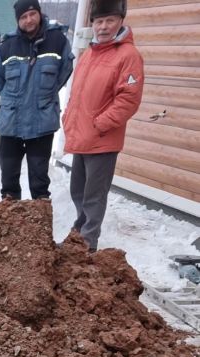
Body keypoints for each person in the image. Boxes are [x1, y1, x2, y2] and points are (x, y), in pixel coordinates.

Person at [62, 0, 144, 250]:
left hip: (102, 139)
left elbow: (128, 99)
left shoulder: (128, 55)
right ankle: (79, 235)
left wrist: (100, 124)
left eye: (109, 20)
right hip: (83, 137)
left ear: (120, 21)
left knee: (94, 197)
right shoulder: (89, 54)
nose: (103, 27)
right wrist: (69, 118)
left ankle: (87, 243)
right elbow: (77, 94)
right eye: (99, 21)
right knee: (78, 191)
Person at [0, 0, 74, 200]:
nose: (28, 20)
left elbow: (64, 71)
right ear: (18, 20)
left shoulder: (57, 40)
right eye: (23, 17)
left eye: (32, 14)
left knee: (39, 181)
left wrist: (44, 94)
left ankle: (40, 225)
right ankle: (10, 224)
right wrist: (15, 99)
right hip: (11, 122)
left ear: (39, 13)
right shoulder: (7, 46)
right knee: (9, 181)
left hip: (41, 121)